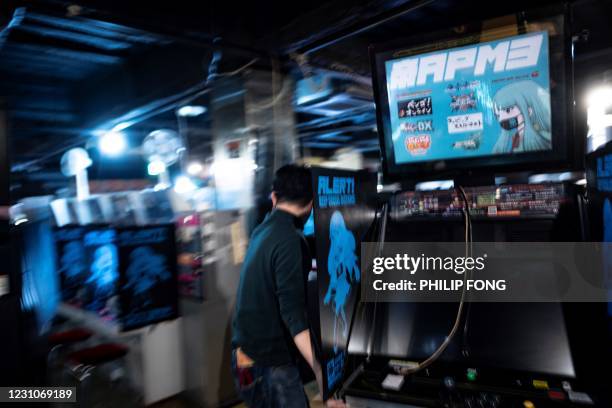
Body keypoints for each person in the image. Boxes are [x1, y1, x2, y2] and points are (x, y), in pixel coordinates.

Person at [231, 164, 345, 408]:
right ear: (312, 202)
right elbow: (293, 316)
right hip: (270, 365)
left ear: (274, 197)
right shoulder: (290, 240)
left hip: (245, 357)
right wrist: (321, 374)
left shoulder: (262, 229)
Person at [492, 80, 552, 154]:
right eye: (498, 115)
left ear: (529, 110)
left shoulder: (543, 136)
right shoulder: (515, 138)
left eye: (508, 110)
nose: (501, 118)